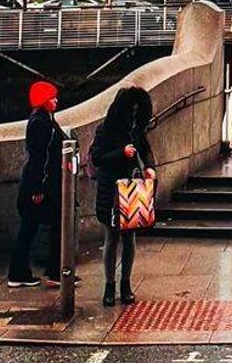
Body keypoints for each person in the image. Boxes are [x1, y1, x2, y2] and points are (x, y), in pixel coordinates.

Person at [90, 86, 155, 307]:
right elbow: (97, 158)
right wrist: (121, 153)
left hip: (130, 188)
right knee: (111, 237)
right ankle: (110, 285)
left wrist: (150, 167)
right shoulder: (105, 130)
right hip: (111, 189)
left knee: (129, 238)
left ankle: (125, 284)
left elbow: (146, 150)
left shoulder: (135, 131)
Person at [8, 80, 65, 288]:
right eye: (52, 98)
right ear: (43, 101)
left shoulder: (46, 120)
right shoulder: (40, 123)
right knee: (48, 226)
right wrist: (37, 189)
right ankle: (53, 271)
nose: (56, 101)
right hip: (40, 187)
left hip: (41, 184)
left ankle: (21, 273)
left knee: (30, 229)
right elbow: (37, 157)